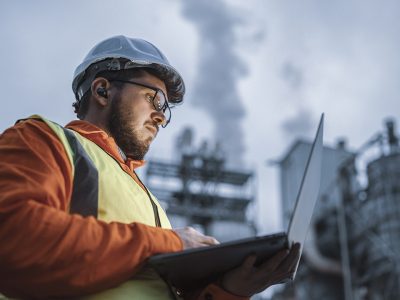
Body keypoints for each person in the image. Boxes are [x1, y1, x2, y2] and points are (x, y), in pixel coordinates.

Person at [0, 35, 300, 299]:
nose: (160, 117)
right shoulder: (44, 139)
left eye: (165, 109)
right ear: (102, 91)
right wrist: (167, 242)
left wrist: (231, 290)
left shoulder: (148, 200)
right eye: (154, 99)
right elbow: (13, 239)